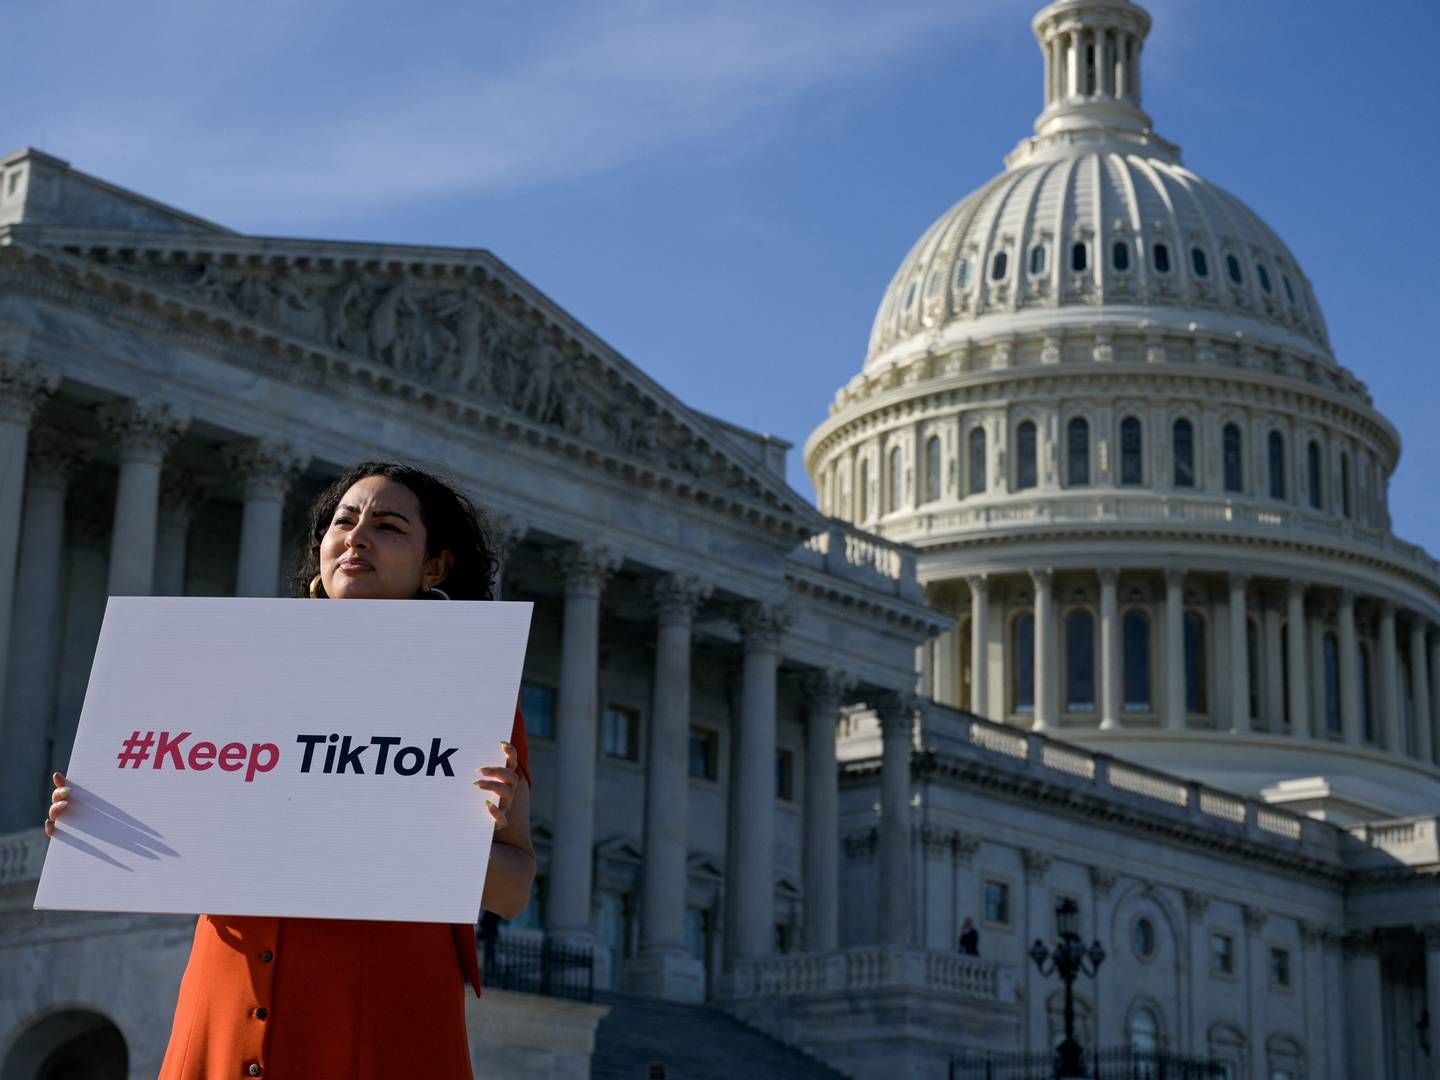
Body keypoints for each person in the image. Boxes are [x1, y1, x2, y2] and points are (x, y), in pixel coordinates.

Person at [45, 461, 534, 1080]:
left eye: (387, 526)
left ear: (434, 567)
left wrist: (453, 837)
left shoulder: (472, 692)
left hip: (379, 1011)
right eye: (344, 522)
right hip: (230, 985)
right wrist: (98, 821)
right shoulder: (234, 668)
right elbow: (179, 817)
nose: (357, 538)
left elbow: (513, 890)